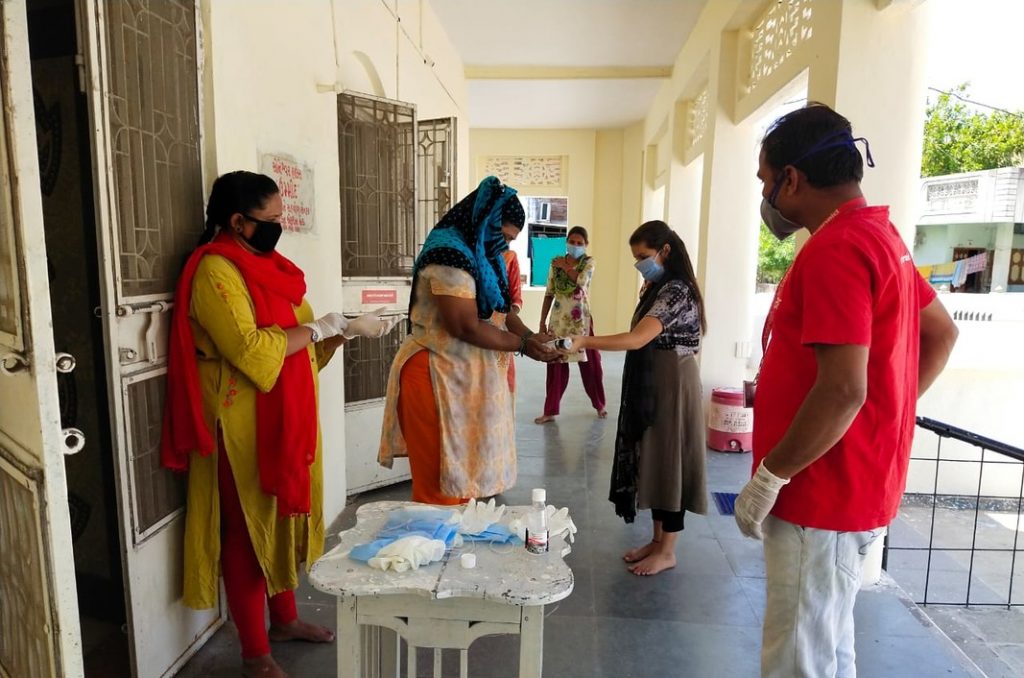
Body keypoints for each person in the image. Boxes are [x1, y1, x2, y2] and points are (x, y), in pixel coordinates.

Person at [733, 104, 959, 677]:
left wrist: (771, 475)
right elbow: (940, 334)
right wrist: (882, 409)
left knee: (797, 656)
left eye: (766, 180)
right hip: (851, 482)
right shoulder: (878, 235)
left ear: (793, 178)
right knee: (829, 643)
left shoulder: (838, 248)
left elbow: (840, 392)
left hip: (820, 492)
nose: (766, 198)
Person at [160, 171, 397, 678]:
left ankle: (284, 619)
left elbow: (297, 339)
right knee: (248, 529)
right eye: (269, 221)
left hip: (284, 412)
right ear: (238, 222)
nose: (277, 228)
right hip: (239, 419)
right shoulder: (215, 273)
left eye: (280, 218)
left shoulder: (269, 265)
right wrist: (319, 327)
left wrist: (341, 330)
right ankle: (254, 652)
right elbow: (249, 349)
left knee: (281, 516)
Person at [378, 176, 558, 505]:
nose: (506, 246)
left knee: (465, 485)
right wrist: (522, 346)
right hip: (436, 378)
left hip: (465, 380)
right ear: (485, 220)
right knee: (441, 487)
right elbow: (465, 326)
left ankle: (458, 553)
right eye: (503, 236)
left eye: (511, 240)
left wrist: (532, 336)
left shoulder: (484, 254)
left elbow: (501, 314)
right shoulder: (448, 254)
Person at [564, 220, 707, 576]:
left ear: (665, 251)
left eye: (644, 256)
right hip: (655, 378)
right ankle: (657, 541)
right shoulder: (659, 286)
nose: (640, 264)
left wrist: (585, 341)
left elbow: (636, 339)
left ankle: (668, 550)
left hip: (673, 380)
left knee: (670, 460)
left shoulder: (676, 291)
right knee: (654, 459)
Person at [536, 226, 607, 423]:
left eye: (579, 243)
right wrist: (542, 321)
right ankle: (550, 410)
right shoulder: (555, 263)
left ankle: (599, 404)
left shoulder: (588, 262)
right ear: (566, 242)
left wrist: (566, 267)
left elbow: (582, 282)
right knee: (555, 366)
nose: (575, 246)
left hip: (581, 322)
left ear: (586, 245)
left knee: (591, 365)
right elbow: (550, 292)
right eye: (572, 242)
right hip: (558, 321)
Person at [502, 247, 524, 393]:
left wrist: (505, 320)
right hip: (471, 329)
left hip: (500, 330)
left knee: (504, 382)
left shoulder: (509, 257)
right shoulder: (469, 253)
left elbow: (516, 299)